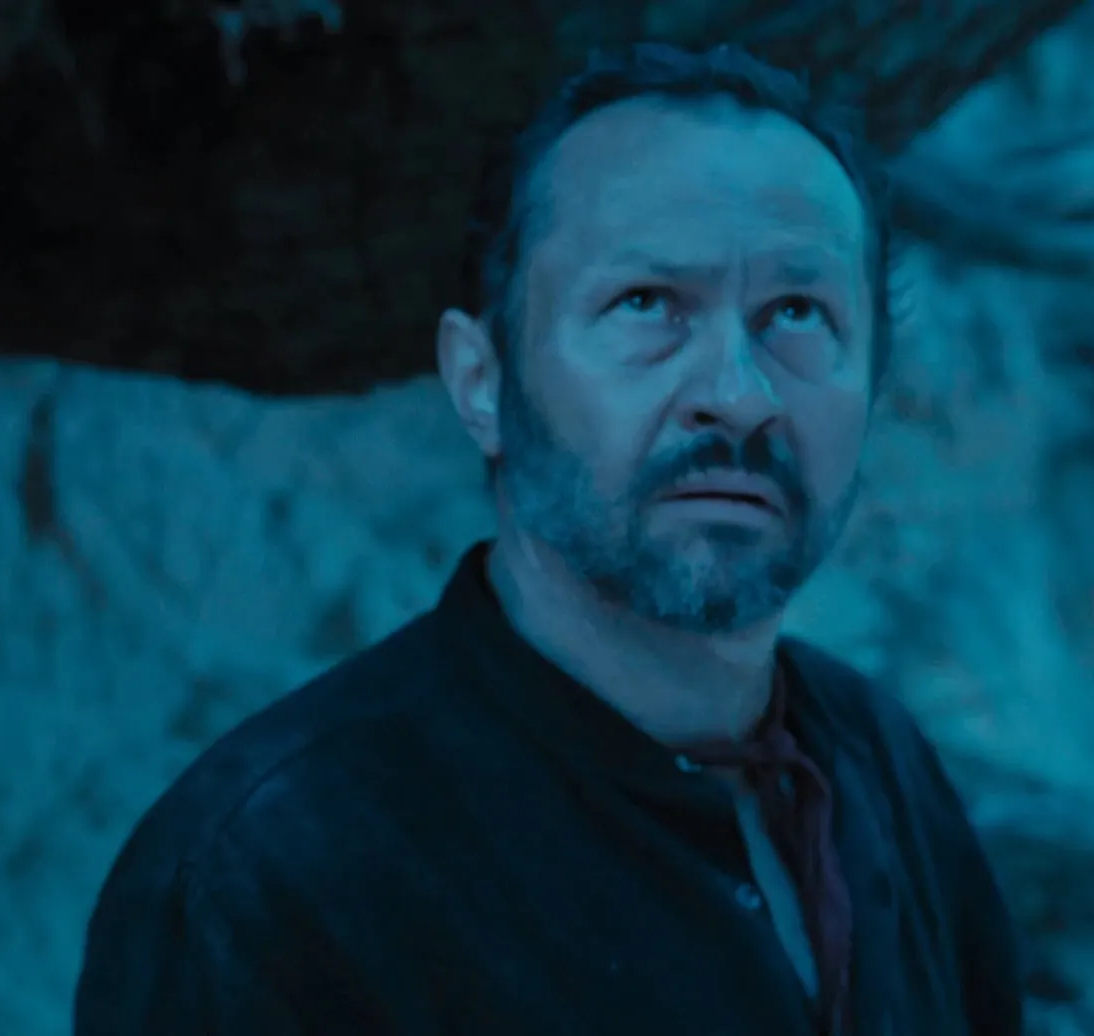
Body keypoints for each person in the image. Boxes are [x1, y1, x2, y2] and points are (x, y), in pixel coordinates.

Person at [75, 42, 1024, 1036]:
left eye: (797, 311)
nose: (738, 395)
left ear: (872, 390)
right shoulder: (269, 877)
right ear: (481, 383)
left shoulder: (875, 760)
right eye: (647, 304)